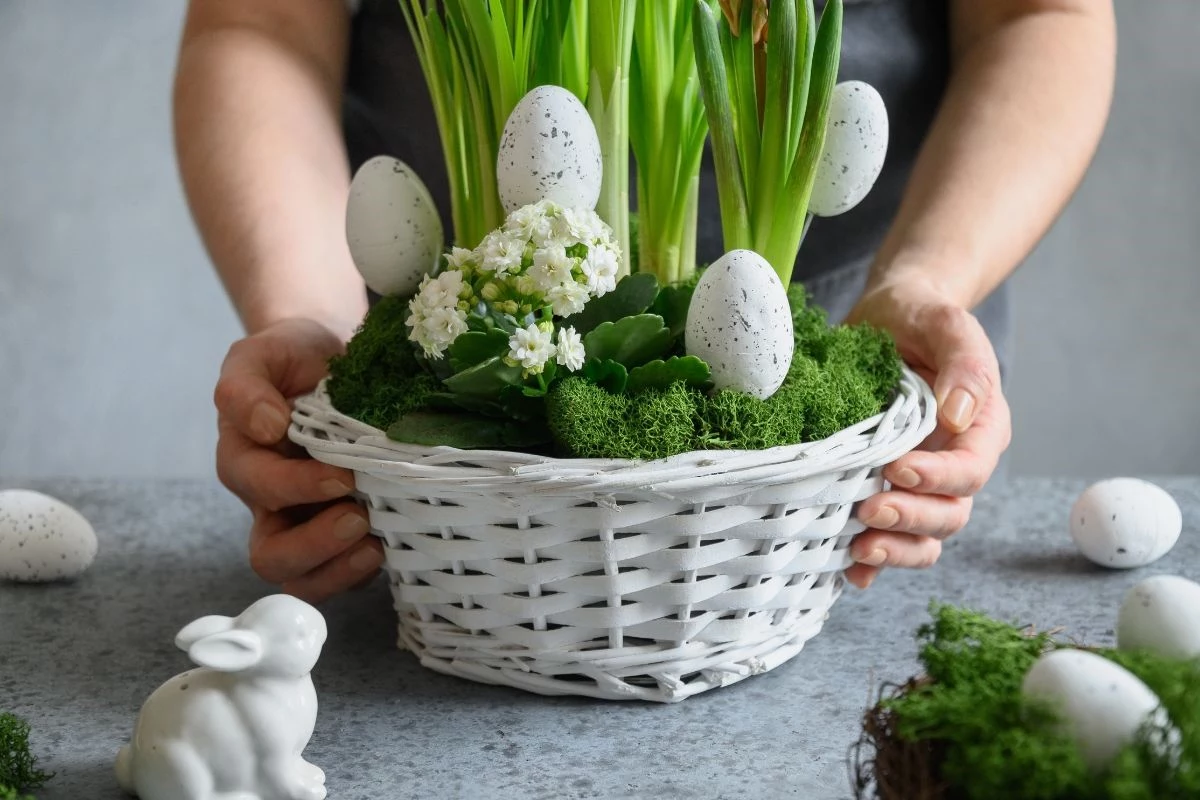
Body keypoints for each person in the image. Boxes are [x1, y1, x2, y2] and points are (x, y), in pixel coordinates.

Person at [174, 0, 1116, 603]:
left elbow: (1043, 13)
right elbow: (259, 23)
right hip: (457, 353)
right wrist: (317, 323)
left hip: (841, 320)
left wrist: (927, 280)